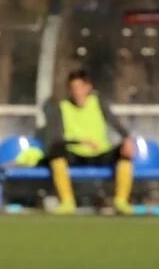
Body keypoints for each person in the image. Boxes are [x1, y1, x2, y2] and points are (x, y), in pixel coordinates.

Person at [41, 69, 136, 215]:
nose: (77, 92)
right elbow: (57, 138)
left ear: (88, 87)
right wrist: (79, 142)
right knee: (56, 152)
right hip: (76, 154)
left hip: (99, 152)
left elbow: (116, 124)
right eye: (73, 88)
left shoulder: (98, 103)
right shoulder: (62, 107)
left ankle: (121, 201)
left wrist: (127, 139)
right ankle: (67, 202)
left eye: (80, 88)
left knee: (125, 154)